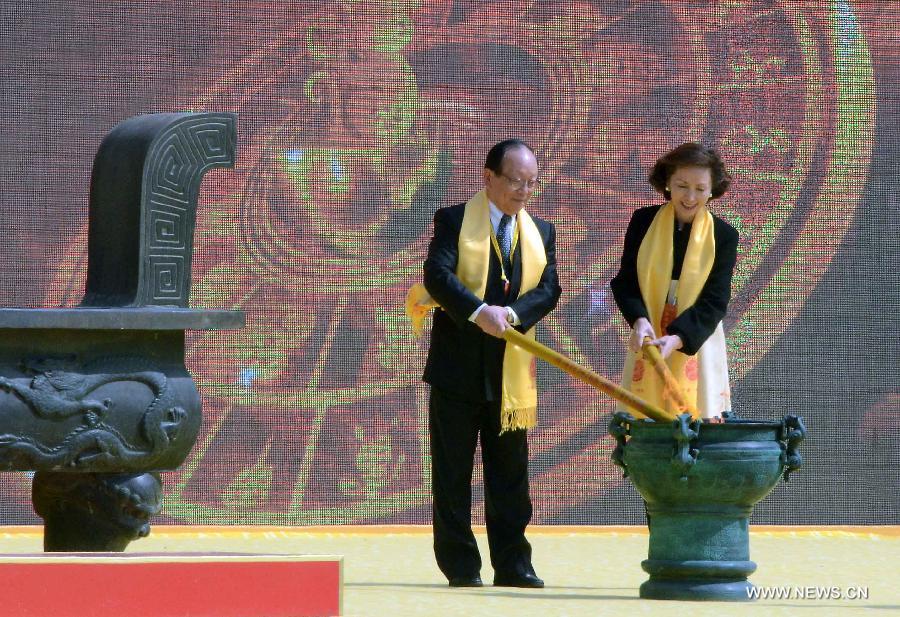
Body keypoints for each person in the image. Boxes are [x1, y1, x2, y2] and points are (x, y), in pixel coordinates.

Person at [406, 139, 562, 588]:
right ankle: (461, 566)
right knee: (453, 474)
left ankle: (513, 564)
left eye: (530, 183)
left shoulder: (541, 231)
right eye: (514, 180)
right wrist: (479, 312)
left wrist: (511, 315)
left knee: (510, 475)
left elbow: (548, 288)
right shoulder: (454, 220)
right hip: (457, 371)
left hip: (510, 376)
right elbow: (437, 275)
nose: (523, 191)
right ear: (488, 176)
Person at [610, 142, 738, 418]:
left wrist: (678, 338)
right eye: (682, 185)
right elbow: (625, 281)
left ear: (712, 190)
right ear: (667, 182)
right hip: (650, 333)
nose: (690, 196)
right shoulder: (643, 221)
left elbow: (715, 301)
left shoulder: (724, 236)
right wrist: (640, 320)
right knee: (645, 424)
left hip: (695, 337)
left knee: (698, 425)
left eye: (700, 189)